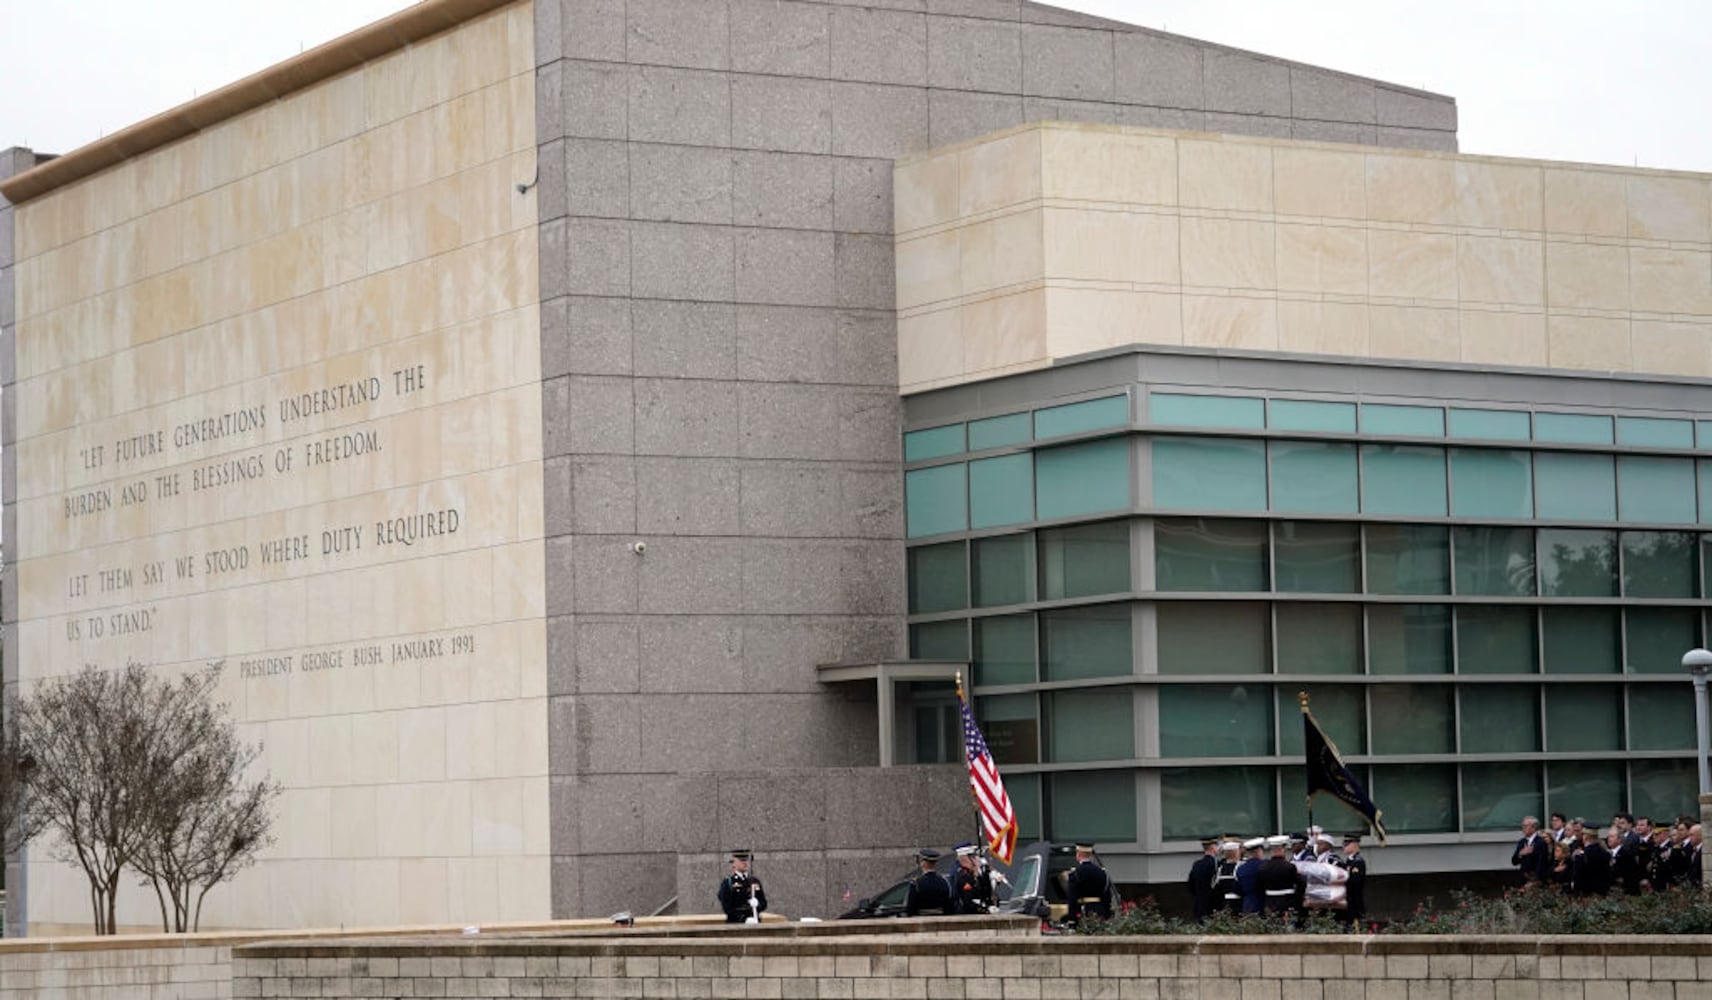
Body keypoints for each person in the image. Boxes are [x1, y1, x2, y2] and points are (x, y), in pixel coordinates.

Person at [1256, 836, 1304, 918]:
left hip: (1270, 901)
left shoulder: (1262, 868)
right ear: (1283, 849)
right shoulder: (1290, 867)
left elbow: (1259, 887)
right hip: (1287, 901)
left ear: (1271, 851)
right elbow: (1301, 883)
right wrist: (1297, 898)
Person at [1065, 843, 1114, 923]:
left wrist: (1072, 919)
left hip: (1082, 912)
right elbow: (1107, 896)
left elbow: (1072, 898)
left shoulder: (1075, 873)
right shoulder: (1102, 872)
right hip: (1099, 911)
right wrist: (1106, 914)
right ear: (1090, 854)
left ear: (1078, 854)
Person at [717, 849, 767, 924]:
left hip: (755, 922)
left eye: (746, 860)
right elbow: (727, 908)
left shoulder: (754, 881)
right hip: (736, 924)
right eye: (741, 860)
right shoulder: (728, 883)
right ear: (734, 863)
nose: (745, 863)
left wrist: (758, 904)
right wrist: (743, 919)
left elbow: (763, 903)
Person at [949, 843, 995, 915]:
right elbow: (968, 902)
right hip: (967, 915)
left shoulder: (977, 875)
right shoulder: (964, 877)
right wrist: (984, 909)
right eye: (973, 857)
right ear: (964, 860)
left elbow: (986, 893)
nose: (976, 859)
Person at [904, 849, 952, 916]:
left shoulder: (916, 884)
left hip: (921, 921)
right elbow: (948, 907)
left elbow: (910, 909)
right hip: (940, 921)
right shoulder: (944, 882)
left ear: (923, 863)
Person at [1510, 816, 1551, 885]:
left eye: (1525, 826)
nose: (1523, 828)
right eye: (1523, 826)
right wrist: (1520, 854)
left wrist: (1535, 879)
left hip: (1535, 879)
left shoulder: (1540, 842)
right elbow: (1514, 862)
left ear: (1534, 827)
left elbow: (1542, 862)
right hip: (1523, 878)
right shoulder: (1522, 842)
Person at [1571, 827, 1612, 896]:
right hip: (1602, 893)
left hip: (1586, 894)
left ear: (1585, 837)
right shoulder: (1606, 854)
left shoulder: (1581, 856)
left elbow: (1577, 878)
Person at [1337, 834, 1367, 927]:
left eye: (1346, 844)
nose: (1343, 846)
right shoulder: (1348, 862)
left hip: (1354, 904)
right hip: (1348, 903)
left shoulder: (1358, 862)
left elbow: (1354, 883)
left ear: (1355, 845)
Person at [1188, 836, 1219, 922]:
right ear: (1213, 848)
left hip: (1199, 905)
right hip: (1212, 905)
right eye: (1217, 846)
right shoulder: (1215, 865)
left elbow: (1191, 886)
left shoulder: (1197, 864)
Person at [1211, 840, 1243, 916]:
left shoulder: (1220, 869)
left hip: (1224, 902)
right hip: (1238, 903)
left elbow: (1215, 887)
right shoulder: (1240, 867)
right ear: (1236, 853)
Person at [1235, 837, 1266, 914]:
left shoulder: (1241, 868)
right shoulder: (1265, 865)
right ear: (1258, 851)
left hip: (1247, 904)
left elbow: (1237, 888)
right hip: (1263, 903)